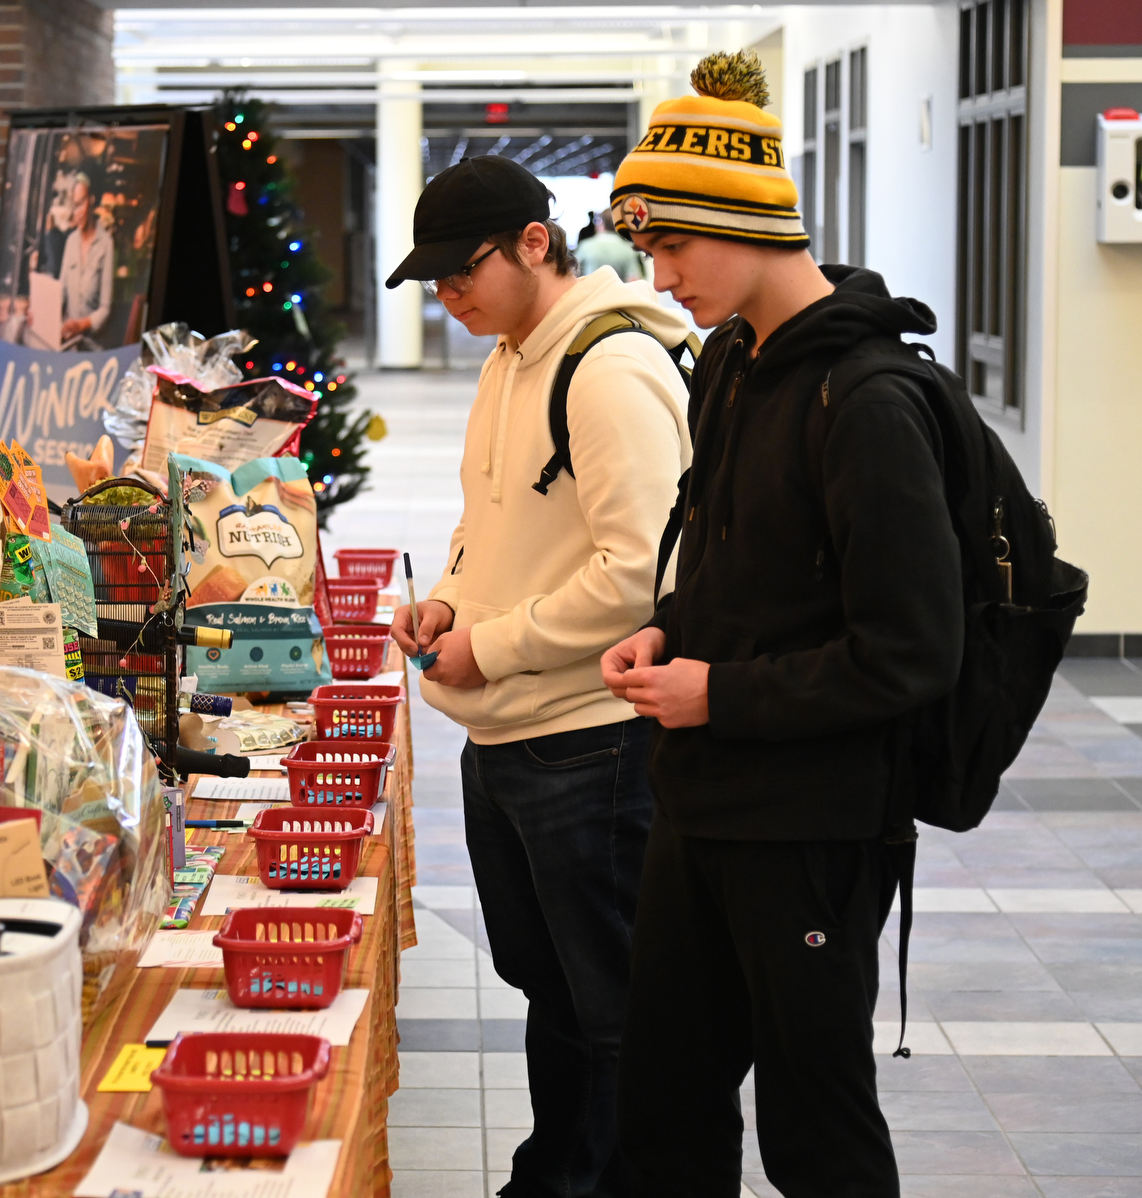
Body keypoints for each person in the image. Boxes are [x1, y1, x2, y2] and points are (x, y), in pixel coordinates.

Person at [598, 50, 963, 1197]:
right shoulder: (730, 365)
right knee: (662, 1101)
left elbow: (911, 650)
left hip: (810, 823)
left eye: (672, 246)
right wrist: (668, 631)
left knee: (817, 1127)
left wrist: (726, 693)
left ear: (748, 226)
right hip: (698, 798)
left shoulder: (866, 399)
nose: (660, 276)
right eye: (647, 249)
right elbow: (728, 560)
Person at [385, 154, 692, 1198]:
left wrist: (496, 643)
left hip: (590, 742)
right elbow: (495, 522)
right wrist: (451, 608)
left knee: (612, 1006)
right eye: (431, 280)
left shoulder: (606, 370)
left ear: (533, 242)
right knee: (552, 986)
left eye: (460, 270)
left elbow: (645, 570)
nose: (447, 295)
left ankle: (606, 1179)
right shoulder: (507, 357)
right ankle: (554, 1171)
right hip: (508, 739)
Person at [58, 173, 114, 348]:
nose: (77, 212)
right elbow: (61, 293)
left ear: (92, 201)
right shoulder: (70, 242)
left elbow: (105, 309)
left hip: (93, 346)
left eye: (81, 203)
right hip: (69, 342)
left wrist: (81, 325)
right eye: (74, 206)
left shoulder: (106, 244)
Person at [575, 211, 644, 282]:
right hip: (618, 292)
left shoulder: (585, 246)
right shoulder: (627, 249)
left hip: (590, 292)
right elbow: (634, 280)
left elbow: (573, 274)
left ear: (601, 223)